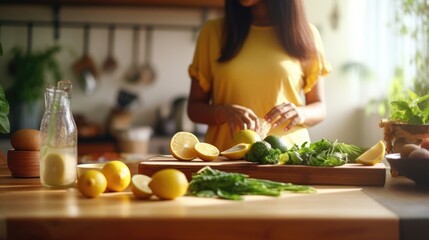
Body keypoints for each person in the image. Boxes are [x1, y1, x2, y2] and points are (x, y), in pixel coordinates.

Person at [187, 0, 331, 151]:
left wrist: (300, 113)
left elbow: (319, 107)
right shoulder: (213, 32)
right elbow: (194, 108)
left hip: (290, 158)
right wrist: (221, 112)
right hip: (226, 158)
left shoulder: (306, 34)